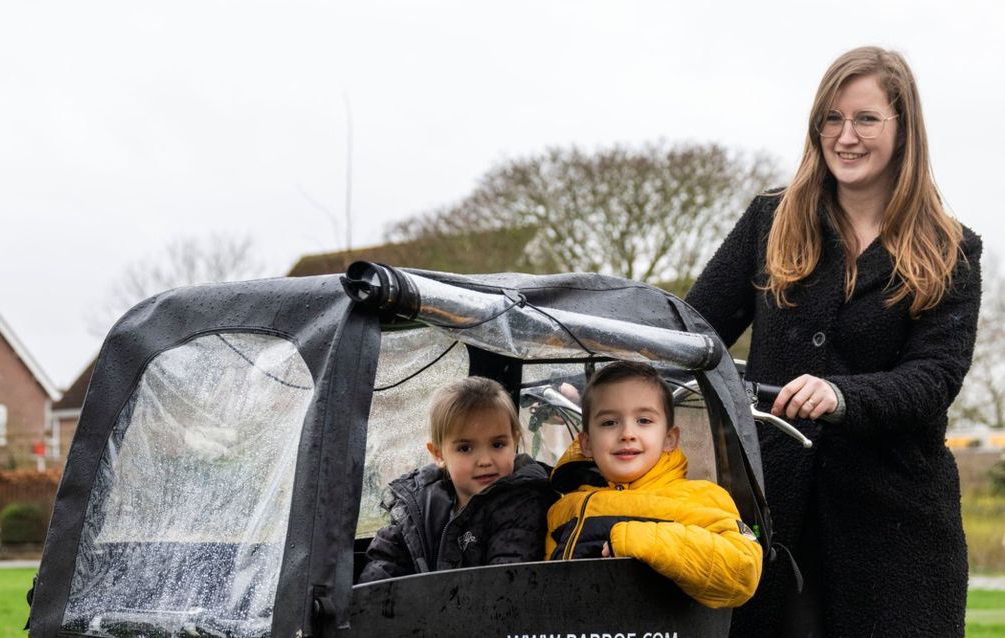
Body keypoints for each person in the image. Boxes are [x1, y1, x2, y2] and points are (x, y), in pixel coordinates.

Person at [685, 46, 982, 636]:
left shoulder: (952, 249)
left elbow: (934, 378)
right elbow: (692, 332)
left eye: (867, 119)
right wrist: (608, 374)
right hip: (771, 521)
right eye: (832, 119)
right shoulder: (770, 220)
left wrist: (841, 395)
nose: (846, 136)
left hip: (896, 529)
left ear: (904, 128)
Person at [545, 361, 763, 609]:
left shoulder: (700, 497)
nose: (627, 433)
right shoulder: (564, 508)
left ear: (669, 439)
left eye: (644, 420)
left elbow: (743, 572)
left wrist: (642, 540)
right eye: (609, 422)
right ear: (586, 444)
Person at [359, 376, 555, 582]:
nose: (485, 461)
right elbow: (381, 574)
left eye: (497, 444)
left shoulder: (523, 504)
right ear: (438, 454)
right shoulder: (417, 507)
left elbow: (504, 587)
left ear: (514, 441)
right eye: (465, 448)